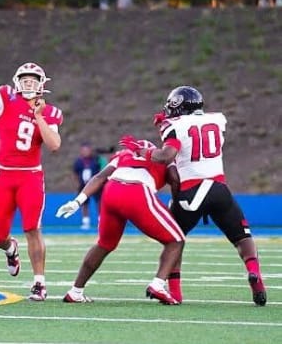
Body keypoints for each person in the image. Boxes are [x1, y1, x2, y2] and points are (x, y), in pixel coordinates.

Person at [123, 85, 267, 306]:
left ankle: (175, 292)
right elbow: (195, 133)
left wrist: (142, 150)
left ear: (179, 105)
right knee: (242, 237)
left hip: (190, 190)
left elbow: (166, 155)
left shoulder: (174, 125)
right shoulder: (218, 120)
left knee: (174, 240)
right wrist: (167, 125)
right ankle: (254, 272)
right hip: (219, 188)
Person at [0, 49, 62, 301]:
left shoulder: (49, 112)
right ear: (17, 82)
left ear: (42, 85)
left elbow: (54, 145)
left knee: (32, 228)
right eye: (25, 80)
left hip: (30, 176)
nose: (29, 84)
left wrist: (39, 116)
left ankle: (39, 282)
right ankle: (10, 248)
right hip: (2, 175)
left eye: (33, 80)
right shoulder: (6, 99)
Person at [56, 140, 185, 305]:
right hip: (136, 191)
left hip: (111, 191)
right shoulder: (163, 156)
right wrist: (176, 202)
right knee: (176, 240)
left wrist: (77, 201)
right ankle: (158, 285)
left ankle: (75, 291)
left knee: (104, 244)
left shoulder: (123, 155)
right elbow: (174, 178)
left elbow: (100, 177)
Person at [71, 142, 103, 230]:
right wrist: (78, 183)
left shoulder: (96, 159)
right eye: (84, 150)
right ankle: (86, 221)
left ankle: (101, 221)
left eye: (87, 150)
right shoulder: (78, 162)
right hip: (83, 185)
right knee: (84, 203)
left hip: (96, 184)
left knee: (99, 202)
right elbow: (75, 173)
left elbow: (101, 170)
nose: (85, 152)